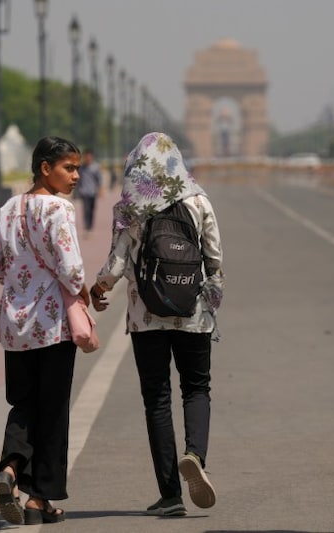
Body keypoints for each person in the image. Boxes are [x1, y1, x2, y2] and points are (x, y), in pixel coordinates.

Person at [89, 132, 224, 517]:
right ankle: (195, 454)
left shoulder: (134, 206)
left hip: (145, 314)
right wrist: (210, 306)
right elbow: (214, 260)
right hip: (192, 312)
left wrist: (99, 290)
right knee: (197, 387)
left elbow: (116, 262)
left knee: (157, 398)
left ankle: (170, 495)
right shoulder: (199, 200)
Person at [0, 136, 88, 526]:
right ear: (46, 168)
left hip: (14, 325)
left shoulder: (9, 206)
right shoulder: (59, 208)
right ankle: (39, 498)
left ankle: (10, 468)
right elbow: (72, 269)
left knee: (23, 404)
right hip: (52, 324)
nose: (76, 175)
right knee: (54, 410)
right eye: (69, 167)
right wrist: (83, 290)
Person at [72, 147, 103, 233]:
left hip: (93, 192)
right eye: (86, 156)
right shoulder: (81, 168)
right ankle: (87, 226)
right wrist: (75, 190)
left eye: (90, 156)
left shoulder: (96, 167)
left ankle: (90, 225)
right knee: (86, 209)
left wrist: (100, 190)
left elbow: (99, 179)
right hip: (84, 192)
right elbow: (78, 180)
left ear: (92, 157)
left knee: (92, 209)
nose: (88, 158)